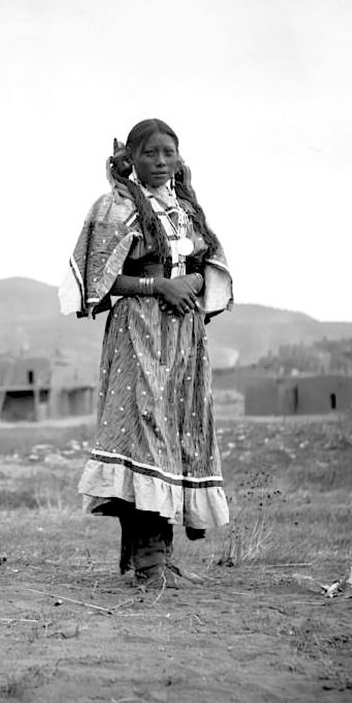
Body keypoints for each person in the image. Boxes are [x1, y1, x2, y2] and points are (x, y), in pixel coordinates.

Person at [59, 118, 233, 588]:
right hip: (140, 334)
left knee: (176, 435)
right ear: (131, 158)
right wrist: (160, 285)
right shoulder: (115, 207)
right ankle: (148, 562)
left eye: (169, 153)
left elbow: (205, 264)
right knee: (143, 436)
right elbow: (101, 280)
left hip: (183, 339)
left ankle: (161, 558)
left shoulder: (185, 208)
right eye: (151, 153)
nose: (160, 162)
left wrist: (192, 282)